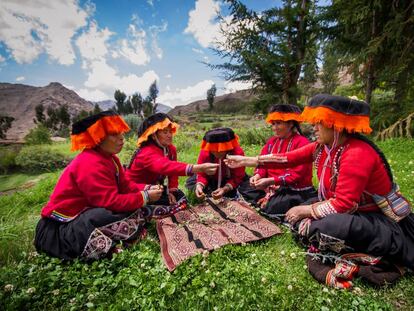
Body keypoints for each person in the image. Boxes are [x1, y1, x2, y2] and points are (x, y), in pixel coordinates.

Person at [225, 94, 414, 288]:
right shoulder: (324, 147)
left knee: (320, 223)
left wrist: (306, 211)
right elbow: (288, 158)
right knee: (305, 216)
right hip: (348, 211)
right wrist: (249, 161)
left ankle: (356, 247)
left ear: (336, 124)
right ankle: (318, 234)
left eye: (319, 122)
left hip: (372, 219)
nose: (314, 127)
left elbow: (344, 204)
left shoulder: (357, 152)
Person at [34, 111, 163, 260]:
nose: (122, 138)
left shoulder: (112, 159)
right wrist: (145, 197)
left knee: (132, 208)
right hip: (59, 229)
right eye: (114, 134)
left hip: (85, 213)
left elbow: (126, 187)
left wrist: (145, 190)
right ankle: (112, 242)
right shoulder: (89, 162)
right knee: (102, 215)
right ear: (98, 138)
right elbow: (111, 202)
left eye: (121, 133)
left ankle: (126, 233)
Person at [126, 113, 218, 209]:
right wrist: (197, 168)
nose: (170, 135)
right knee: (165, 206)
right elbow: (165, 166)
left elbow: (173, 173)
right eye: (165, 132)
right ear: (153, 135)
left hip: (155, 187)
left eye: (170, 131)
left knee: (180, 198)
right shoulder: (146, 152)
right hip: (135, 188)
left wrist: (171, 191)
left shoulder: (170, 149)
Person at [250, 104, 316, 219]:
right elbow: (262, 163)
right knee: (246, 188)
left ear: (291, 123)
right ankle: (269, 198)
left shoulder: (302, 143)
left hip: (293, 189)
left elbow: (296, 175)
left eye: (279, 123)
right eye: (273, 124)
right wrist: (258, 175)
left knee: (274, 208)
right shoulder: (272, 142)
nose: (274, 128)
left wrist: (271, 181)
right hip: (271, 187)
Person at [186, 127, 263, 202]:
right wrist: (199, 186)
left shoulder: (237, 153)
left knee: (251, 190)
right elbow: (202, 173)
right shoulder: (205, 153)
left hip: (231, 181)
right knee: (193, 184)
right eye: (214, 150)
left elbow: (237, 177)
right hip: (211, 180)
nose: (217, 153)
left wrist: (224, 189)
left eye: (220, 150)